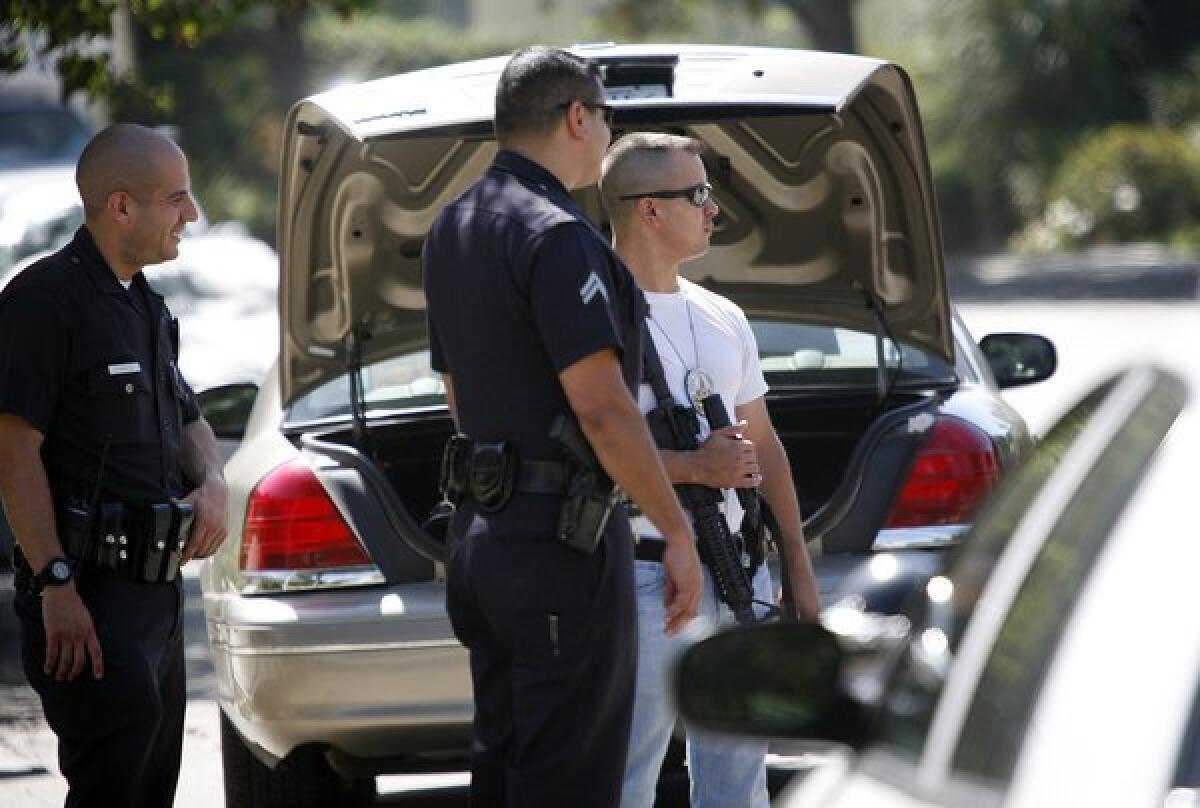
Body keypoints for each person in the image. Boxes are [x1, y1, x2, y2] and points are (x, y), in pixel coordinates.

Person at [421, 47, 703, 807]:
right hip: (560, 547)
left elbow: (457, 393)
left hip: (482, 537)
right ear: (578, 117)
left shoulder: (453, 226)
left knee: (506, 766)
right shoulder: (555, 234)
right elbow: (603, 407)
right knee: (569, 779)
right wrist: (676, 533)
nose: (606, 133)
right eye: (606, 117)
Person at [0, 123, 229, 808]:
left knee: (150, 787)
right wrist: (56, 584)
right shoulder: (43, 302)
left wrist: (212, 482)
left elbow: (188, 419)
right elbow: (13, 453)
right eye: (177, 199)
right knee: (112, 788)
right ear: (121, 206)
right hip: (87, 597)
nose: (190, 216)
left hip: (154, 597)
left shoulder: (145, 306)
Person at [599, 132, 822, 808]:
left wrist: (796, 569)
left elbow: (766, 445)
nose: (713, 208)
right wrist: (697, 468)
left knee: (738, 786)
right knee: (625, 780)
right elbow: (588, 462)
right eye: (698, 195)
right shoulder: (594, 318)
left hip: (738, 572)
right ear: (648, 210)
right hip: (644, 579)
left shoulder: (722, 314)